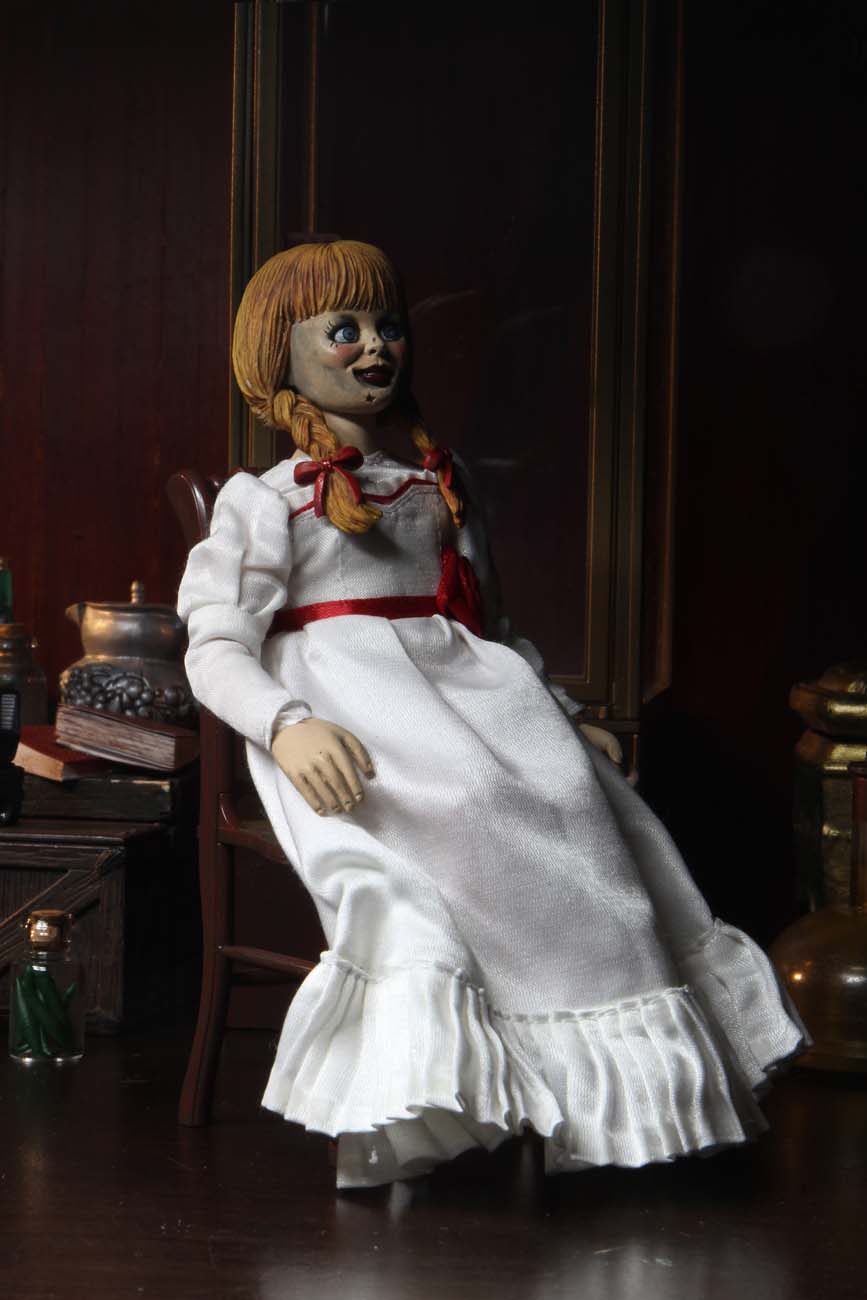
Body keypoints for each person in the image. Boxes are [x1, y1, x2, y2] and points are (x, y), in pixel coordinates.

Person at [177, 240, 805, 1189]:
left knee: (578, 797)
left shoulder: (439, 482)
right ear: (281, 354)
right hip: (354, 720)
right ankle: (483, 1080)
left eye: (388, 326)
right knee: (471, 800)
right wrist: (285, 722)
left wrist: (558, 713)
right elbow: (216, 646)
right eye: (342, 330)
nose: (374, 346)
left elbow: (491, 626)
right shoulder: (267, 503)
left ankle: (603, 1088)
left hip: (468, 696)